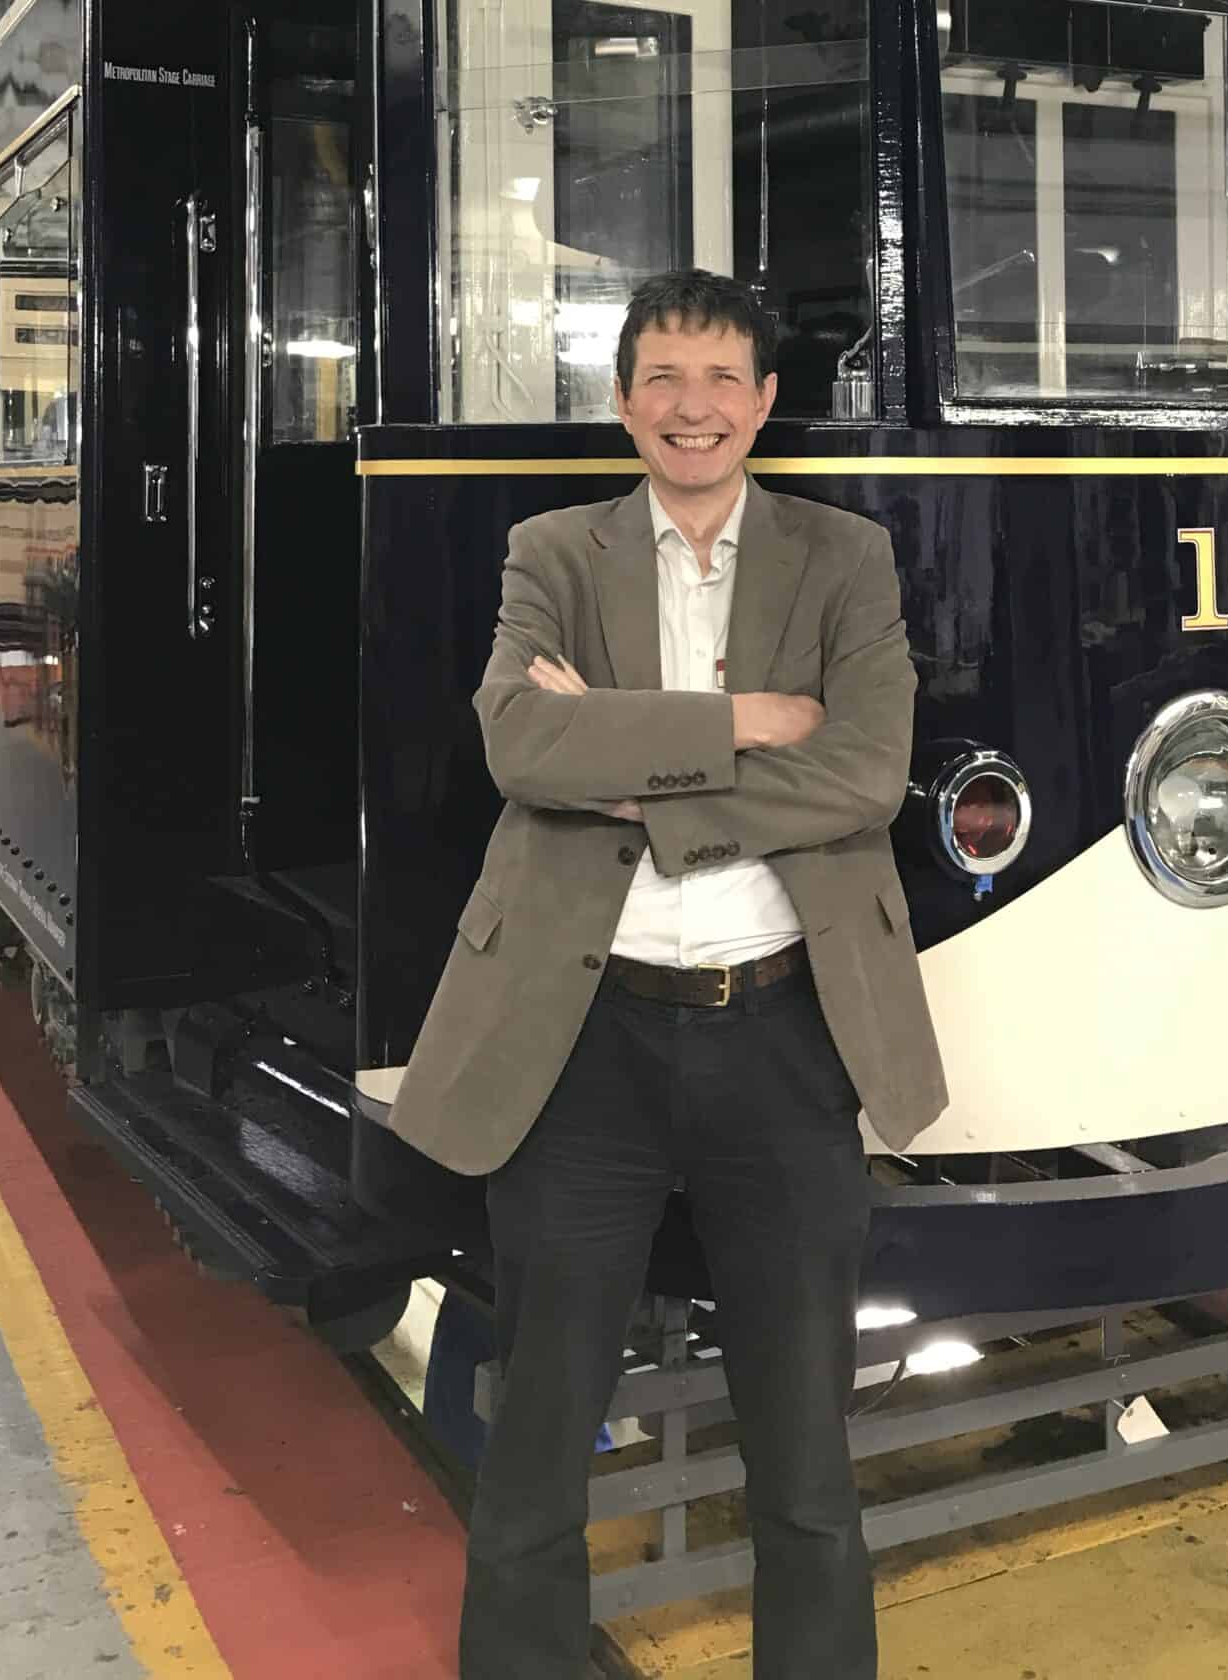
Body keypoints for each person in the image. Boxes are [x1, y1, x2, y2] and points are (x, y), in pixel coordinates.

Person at [390, 267, 946, 1680]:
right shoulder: (554, 554)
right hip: (584, 1044)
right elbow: (523, 746)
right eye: (661, 380)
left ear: (764, 402)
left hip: (782, 1040)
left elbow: (866, 774)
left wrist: (644, 775)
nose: (690, 410)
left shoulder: (844, 560)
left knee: (806, 1453)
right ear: (624, 401)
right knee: (539, 1440)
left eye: (720, 382)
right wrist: (749, 720)